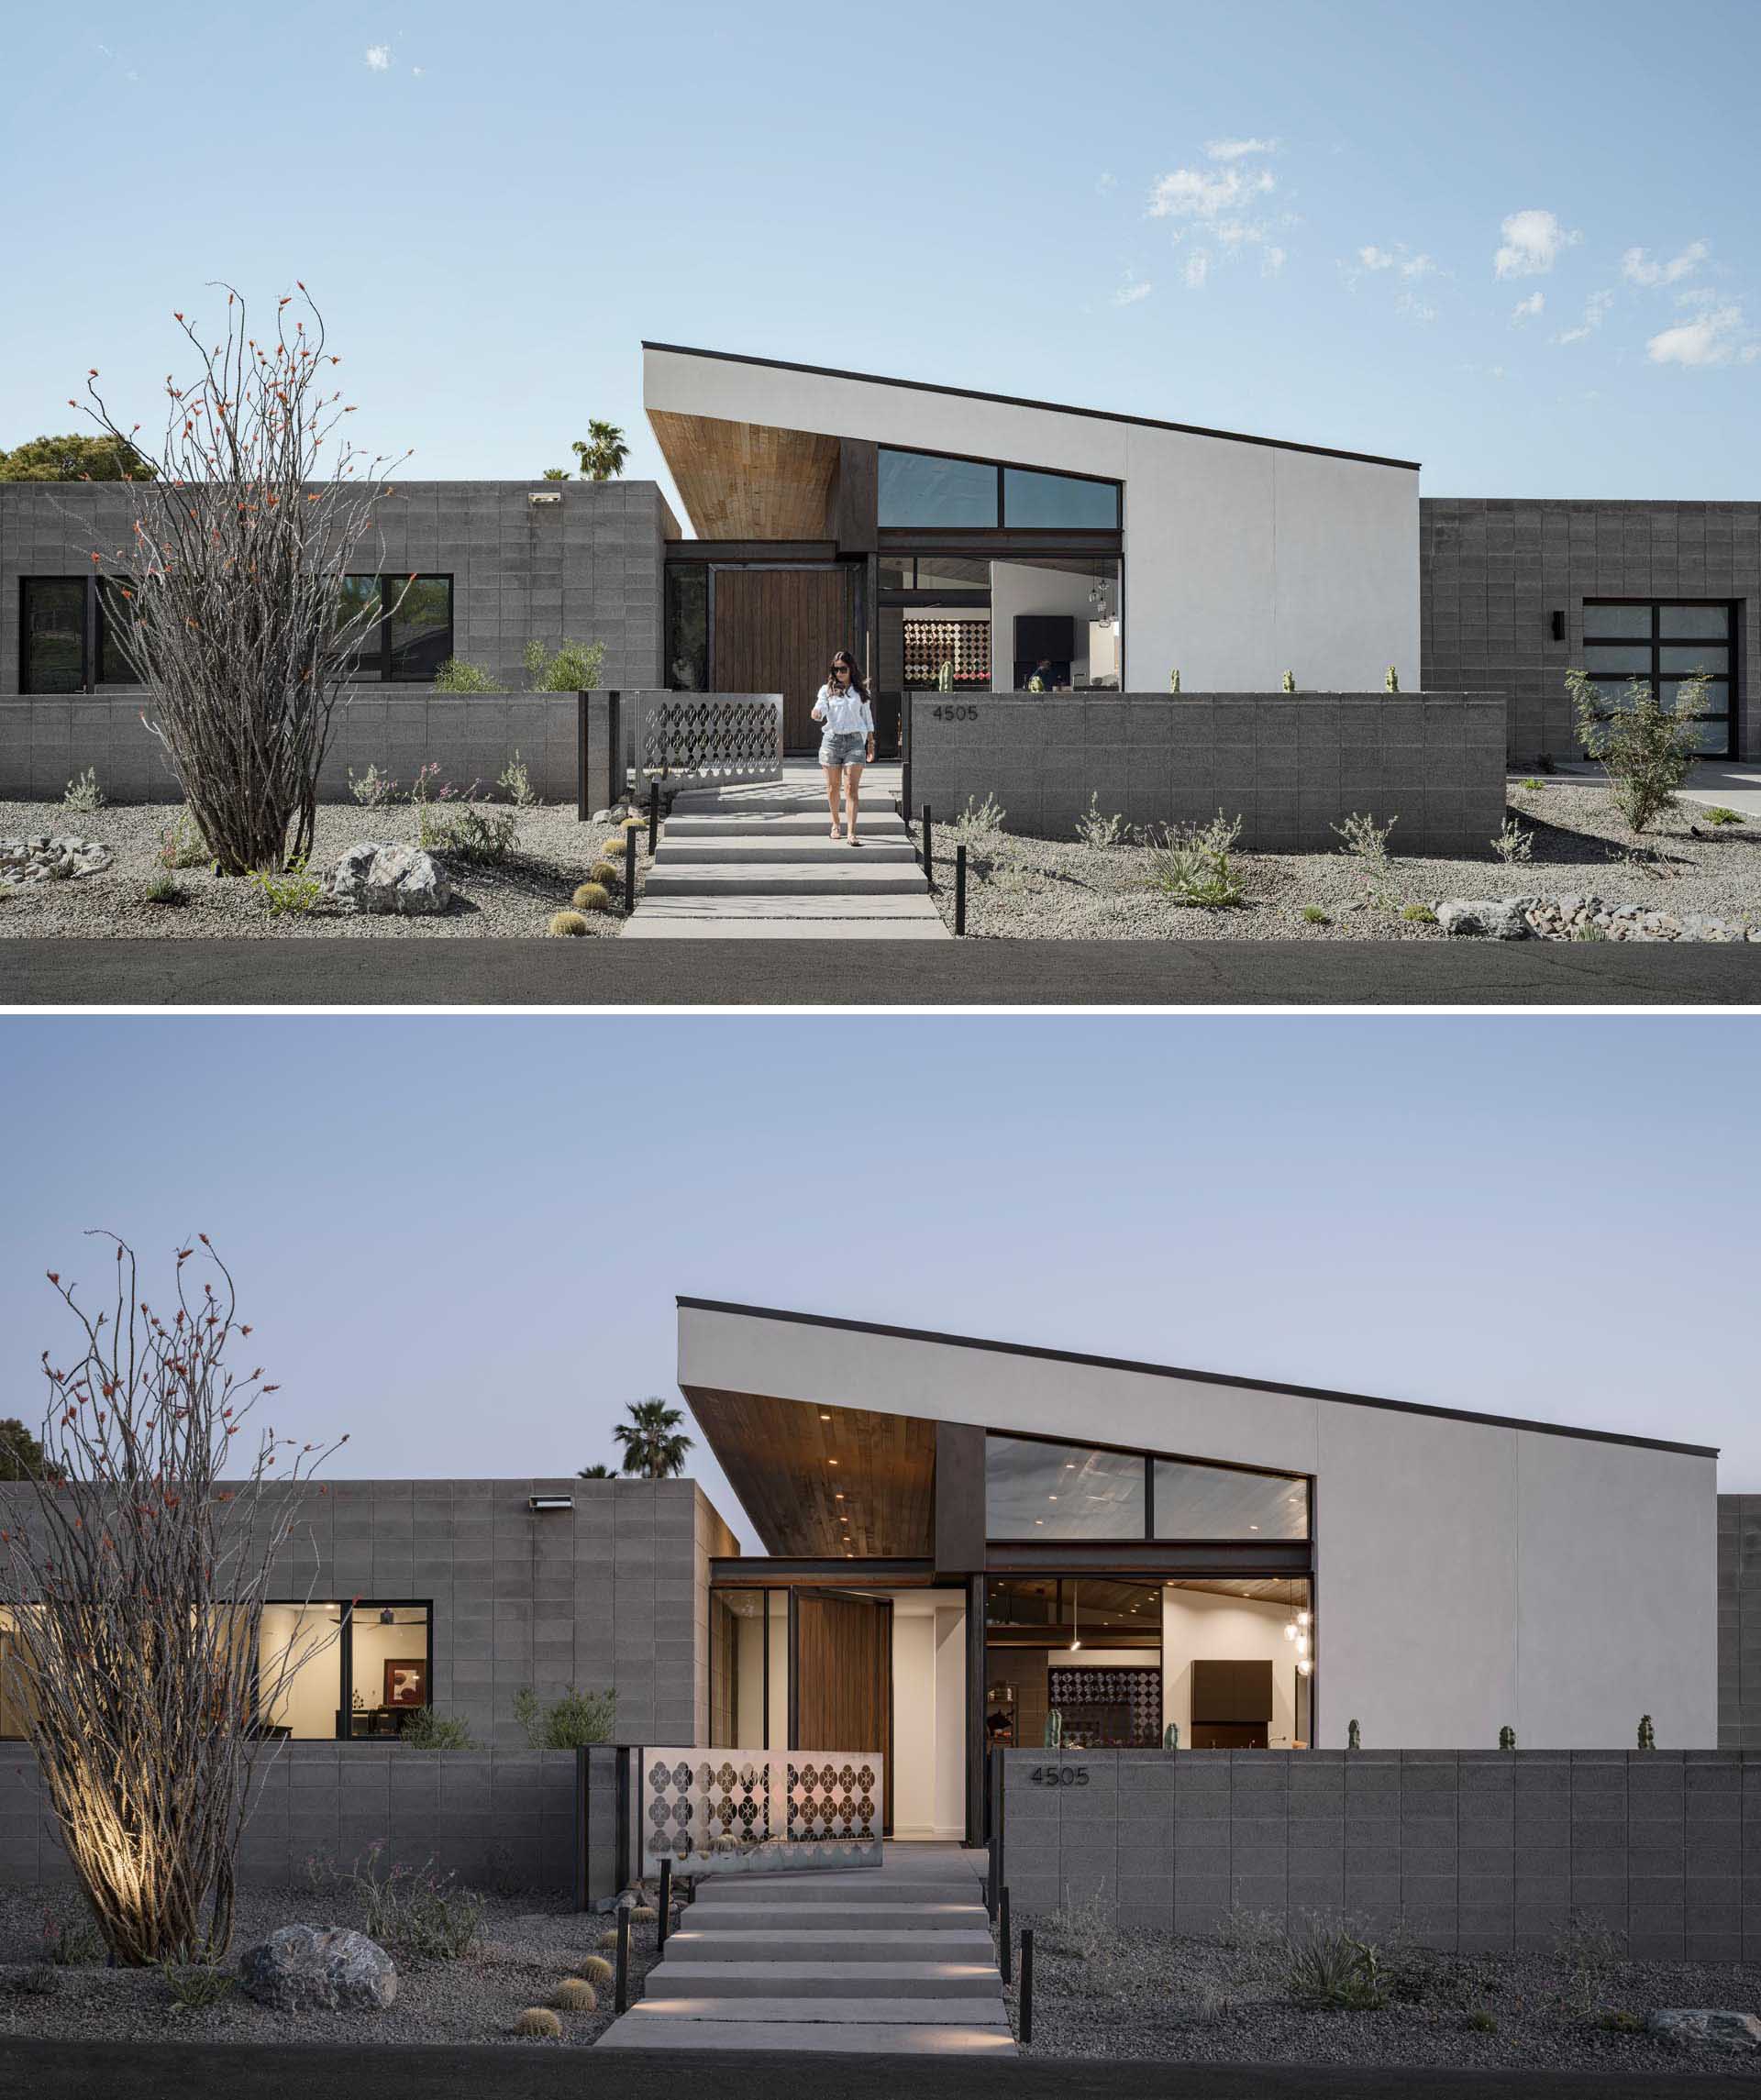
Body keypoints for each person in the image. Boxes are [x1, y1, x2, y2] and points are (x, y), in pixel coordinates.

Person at [810, 649, 875, 845]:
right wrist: (816, 712)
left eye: (843, 669)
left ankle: (851, 832)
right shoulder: (826, 690)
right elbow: (820, 707)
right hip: (832, 741)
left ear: (851, 669)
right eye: (836, 669)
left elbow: (867, 718)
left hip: (855, 742)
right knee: (832, 788)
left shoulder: (861, 692)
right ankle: (836, 824)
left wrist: (870, 743)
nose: (839, 673)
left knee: (851, 789)